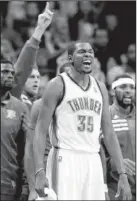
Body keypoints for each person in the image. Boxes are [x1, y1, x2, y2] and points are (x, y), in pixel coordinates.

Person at [33, 42, 132, 200]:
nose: (88, 55)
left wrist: (122, 174)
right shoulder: (57, 85)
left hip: (92, 160)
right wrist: (38, 171)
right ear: (70, 58)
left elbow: (109, 133)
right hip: (65, 157)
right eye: (82, 52)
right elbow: (40, 130)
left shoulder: (100, 88)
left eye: (90, 52)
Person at [1, 60, 28, 201]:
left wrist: (26, 185)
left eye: (12, 73)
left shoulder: (20, 108)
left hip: (8, 184)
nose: (10, 75)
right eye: (5, 72)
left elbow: (26, 149)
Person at [106, 74, 136, 200]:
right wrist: (114, 163)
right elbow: (94, 151)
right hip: (115, 187)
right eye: (123, 87)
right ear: (112, 91)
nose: (128, 90)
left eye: (132, 87)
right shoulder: (105, 116)